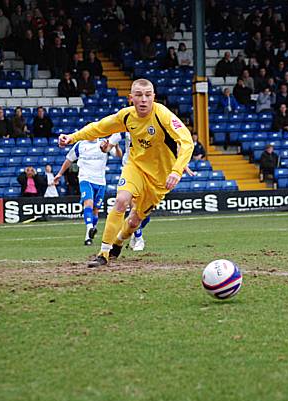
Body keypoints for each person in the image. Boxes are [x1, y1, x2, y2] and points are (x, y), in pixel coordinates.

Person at [58, 78, 194, 267]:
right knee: (121, 200)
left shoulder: (163, 114)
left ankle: (119, 242)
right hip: (135, 167)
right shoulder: (127, 116)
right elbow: (99, 128)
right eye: (139, 95)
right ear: (131, 98)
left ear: (154, 97)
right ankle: (103, 253)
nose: (144, 99)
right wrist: (72, 137)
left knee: (134, 221)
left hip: (160, 180)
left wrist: (177, 170)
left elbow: (187, 141)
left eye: (148, 95)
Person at [54, 136, 122, 245]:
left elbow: (119, 155)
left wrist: (116, 145)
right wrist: (59, 174)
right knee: (88, 204)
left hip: (100, 181)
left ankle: (88, 237)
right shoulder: (80, 145)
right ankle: (90, 227)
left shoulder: (104, 143)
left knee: (95, 210)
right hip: (85, 179)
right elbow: (69, 160)